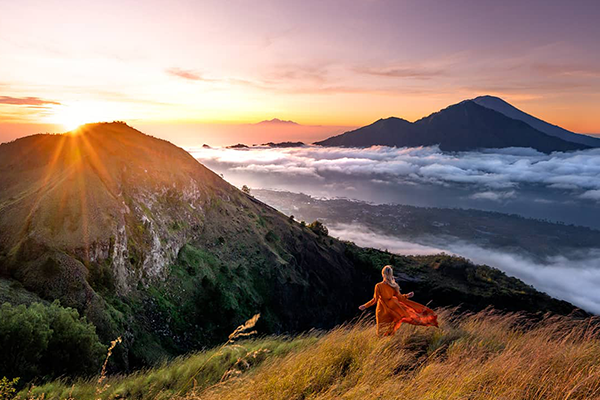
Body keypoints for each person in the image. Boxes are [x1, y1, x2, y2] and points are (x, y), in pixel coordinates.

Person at [359, 265, 438, 336]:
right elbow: (400, 298)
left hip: (382, 310)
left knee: (380, 331)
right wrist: (407, 296)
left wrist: (365, 306)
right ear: (391, 274)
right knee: (390, 330)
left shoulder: (378, 286)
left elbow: (374, 300)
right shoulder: (394, 286)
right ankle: (389, 345)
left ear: (382, 274)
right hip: (392, 310)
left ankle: (382, 346)